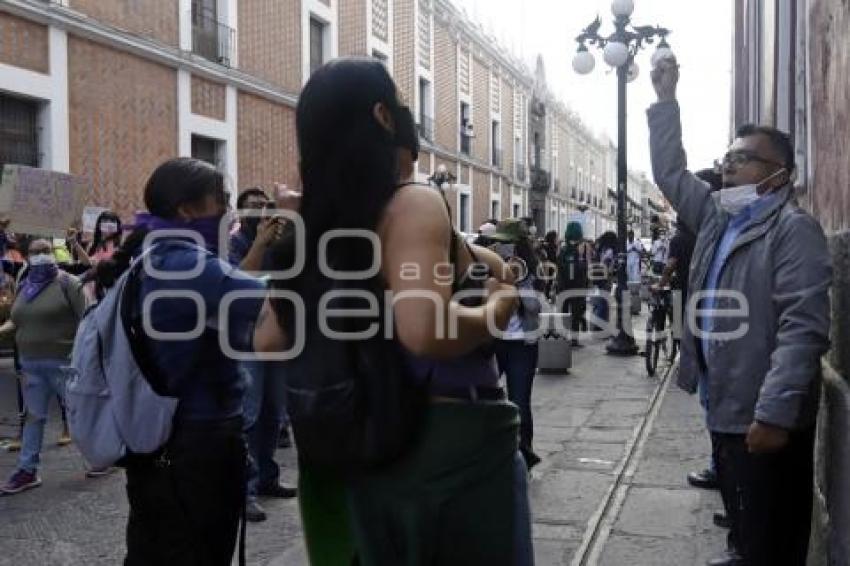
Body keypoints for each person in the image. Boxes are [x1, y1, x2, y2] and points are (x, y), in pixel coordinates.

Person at [253, 58, 529, 566]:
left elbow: (268, 340)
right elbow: (425, 331)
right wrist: (502, 304)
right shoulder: (413, 203)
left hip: (347, 444)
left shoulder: (315, 221)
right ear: (383, 116)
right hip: (447, 440)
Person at [650, 56, 832, 566]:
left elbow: (802, 329)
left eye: (743, 157)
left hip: (762, 411)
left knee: (772, 530)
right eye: (728, 155)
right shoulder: (715, 216)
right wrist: (666, 101)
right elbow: (668, 172)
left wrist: (775, 413)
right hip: (725, 400)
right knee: (742, 509)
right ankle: (741, 549)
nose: (728, 165)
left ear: (778, 175)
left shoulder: (792, 230)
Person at [94, 158, 274, 565]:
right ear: (186, 209)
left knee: (157, 548)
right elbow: (278, 303)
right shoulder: (185, 264)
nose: (229, 209)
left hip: (165, 443)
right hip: (196, 443)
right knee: (196, 550)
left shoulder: (156, 255)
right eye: (222, 199)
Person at [229, 187, 297, 523]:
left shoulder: (282, 243)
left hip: (279, 337)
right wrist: (260, 242)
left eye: (265, 207)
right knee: (250, 415)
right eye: (253, 207)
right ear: (239, 212)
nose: (260, 212)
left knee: (274, 414)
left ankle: (268, 476)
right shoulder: (235, 242)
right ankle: (244, 491)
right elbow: (239, 280)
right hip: (245, 341)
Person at [0, 239, 86, 494]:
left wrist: (84, 356)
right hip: (30, 365)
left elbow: (87, 319)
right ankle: (27, 470)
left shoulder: (68, 283)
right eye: (35, 253)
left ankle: (102, 456)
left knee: (81, 413)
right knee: (34, 417)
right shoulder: (25, 286)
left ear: (53, 255)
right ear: (27, 257)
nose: (40, 257)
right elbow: (16, 321)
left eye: (45, 252)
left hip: (64, 363)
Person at [490, 219, 543, 470]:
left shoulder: (531, 270)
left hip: (522, 343)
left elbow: (535, 307)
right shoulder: (487, 265)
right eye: (498, 244)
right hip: (495, 342)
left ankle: (525, 455)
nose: (500, 248)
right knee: (486, 398)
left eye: (505, 244)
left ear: (517, 246)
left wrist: (517, 282)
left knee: (520, 401)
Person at [557, 221, 591, 347]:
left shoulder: (563, 248)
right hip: (578, 286)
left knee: (564, 311)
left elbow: (560, 266)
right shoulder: (582, 248)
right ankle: (574, 339)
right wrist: (582, 257)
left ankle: (564, 336)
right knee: (577, 312)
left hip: (564, 286)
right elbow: (582, 268)